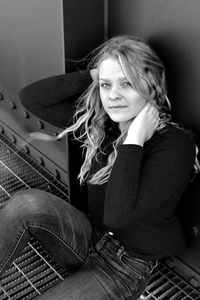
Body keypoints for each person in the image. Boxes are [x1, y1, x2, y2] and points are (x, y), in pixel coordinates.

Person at [0, 35, 197, 299]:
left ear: (151, 85)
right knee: (24, 205)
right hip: (90, 237)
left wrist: (134, 139)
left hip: (125, 267)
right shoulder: (103, 124)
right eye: (106, 85)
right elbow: (33, 99)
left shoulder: (174, 145)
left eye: (127, 83)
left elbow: (118, 215)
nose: (113, 95)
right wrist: (97, 73)